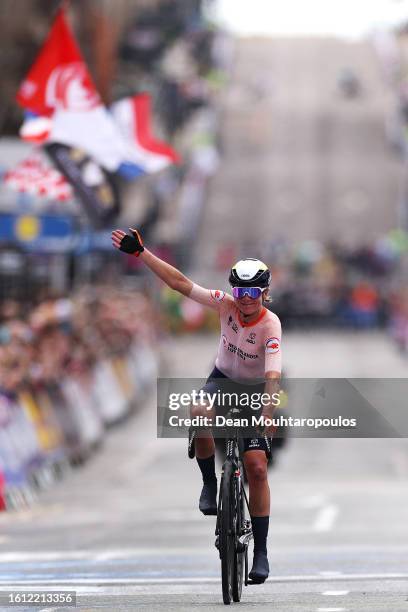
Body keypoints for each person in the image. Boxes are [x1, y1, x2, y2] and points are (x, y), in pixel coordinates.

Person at [111, 228, 282, 584]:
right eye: (241, 292)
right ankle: (208, 484)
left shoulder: (270, 324)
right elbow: (179, 283)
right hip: (221, 379)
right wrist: (141, 252)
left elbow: (272, 374)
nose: (246, 299)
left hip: (253, 391)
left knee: (257, 467)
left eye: (253, 293)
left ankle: (261, 552)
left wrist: (267, 410)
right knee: (199, 410)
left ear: (265, 293)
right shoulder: (225, 304)